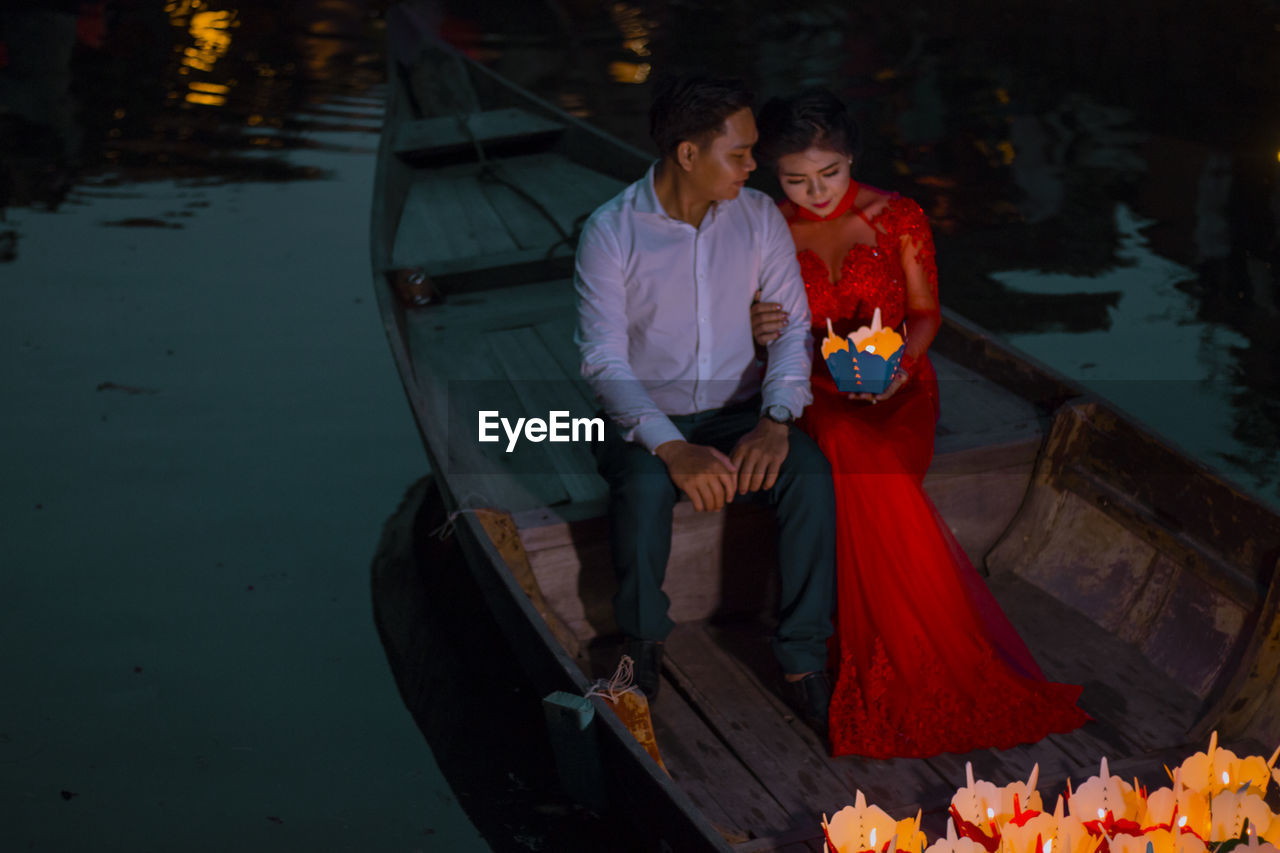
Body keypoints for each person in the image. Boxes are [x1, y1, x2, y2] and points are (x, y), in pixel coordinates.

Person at [750, 89, 1088, 758]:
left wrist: (903, 366)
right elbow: (764, 326)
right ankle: (891, 647)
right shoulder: (764, 228)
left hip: (899, 384)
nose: (815, 192)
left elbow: (927, 312)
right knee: (844, 440)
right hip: (816, 381)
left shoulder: (896, 216)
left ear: (852, 159)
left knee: (866, 452)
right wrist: (759, 328)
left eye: (830, 173)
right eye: (795, 179)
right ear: (772, 173)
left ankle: (902, 645)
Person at [574, 74, 836, 731]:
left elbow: (793, 330)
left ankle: (803, 656)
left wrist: (775, 422)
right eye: (739, 153)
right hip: (646, 417)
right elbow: (603, 361)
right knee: (641, 487)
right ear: (687, 154)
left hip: (738, 406)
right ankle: (641, 647)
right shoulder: (611, 232)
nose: (755, 165)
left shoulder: (758, 217)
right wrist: (671, 445)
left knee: (808, 471)